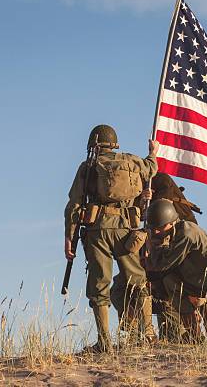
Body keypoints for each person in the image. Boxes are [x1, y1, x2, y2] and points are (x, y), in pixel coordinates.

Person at [64, 124, 159, 352]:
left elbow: (75, 205)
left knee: (99, 284)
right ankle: (147, 334)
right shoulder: (133, 162)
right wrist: (153, 151)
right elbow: (151, 169)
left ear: (93, 145)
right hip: (127, 230)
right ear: (114, 144)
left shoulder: (88, 167)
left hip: (97, 231)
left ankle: (104, 342)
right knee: (137, 278)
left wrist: (69, 236)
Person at [110, 172, 203, 342]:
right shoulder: (134, 194)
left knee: (166, 286)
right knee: (119, 289)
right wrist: (141, 201)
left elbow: (162, 215)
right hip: (152, 257)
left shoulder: (161, 184)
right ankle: (138, 332)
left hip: (172, 262)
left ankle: (180, 335)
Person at [144, 199, 207, 344]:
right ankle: (194, 337)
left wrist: (151, 245)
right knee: (170, 280)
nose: (155, 232)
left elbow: (161, 266)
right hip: (206, 289)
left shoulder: (187, 233)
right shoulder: (169, 235)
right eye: (152, 228)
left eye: (159, 227)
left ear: (172, 222)